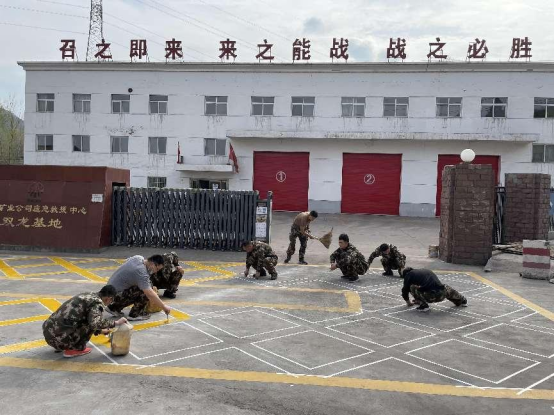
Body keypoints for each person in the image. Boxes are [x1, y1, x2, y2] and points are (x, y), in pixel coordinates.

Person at [42, 285, 128, 358]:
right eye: (111, 301)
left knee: (87, 320)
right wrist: (115, 323)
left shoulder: (88, 295)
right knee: (90, 324)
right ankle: (75, 349)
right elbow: (94, 323)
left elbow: (85, 318)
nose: (110, 303)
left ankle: (63, 343)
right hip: (59, 340)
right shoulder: (97, 303)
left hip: (49, 334)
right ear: (109, 298)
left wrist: (100, 331)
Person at [107, 254, 171, 321]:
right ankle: (135, 314)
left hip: (109, 293)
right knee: (145, 290)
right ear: (153, 264)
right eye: (157, 269)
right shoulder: (142, 273)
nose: (156, 271)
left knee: (142, 286)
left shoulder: (138, 258)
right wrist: (164, 307)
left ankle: (113, 308)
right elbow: (149, 293)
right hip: (113, 297)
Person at [401, 267, 467, 312]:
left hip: (430, 297)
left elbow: (404, 290)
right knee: (445, 287)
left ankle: (423, 306)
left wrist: (409, 303)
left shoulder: (409, 275)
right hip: (442, 294)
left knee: (412, 287)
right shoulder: (425, 270)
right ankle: (462, 300)